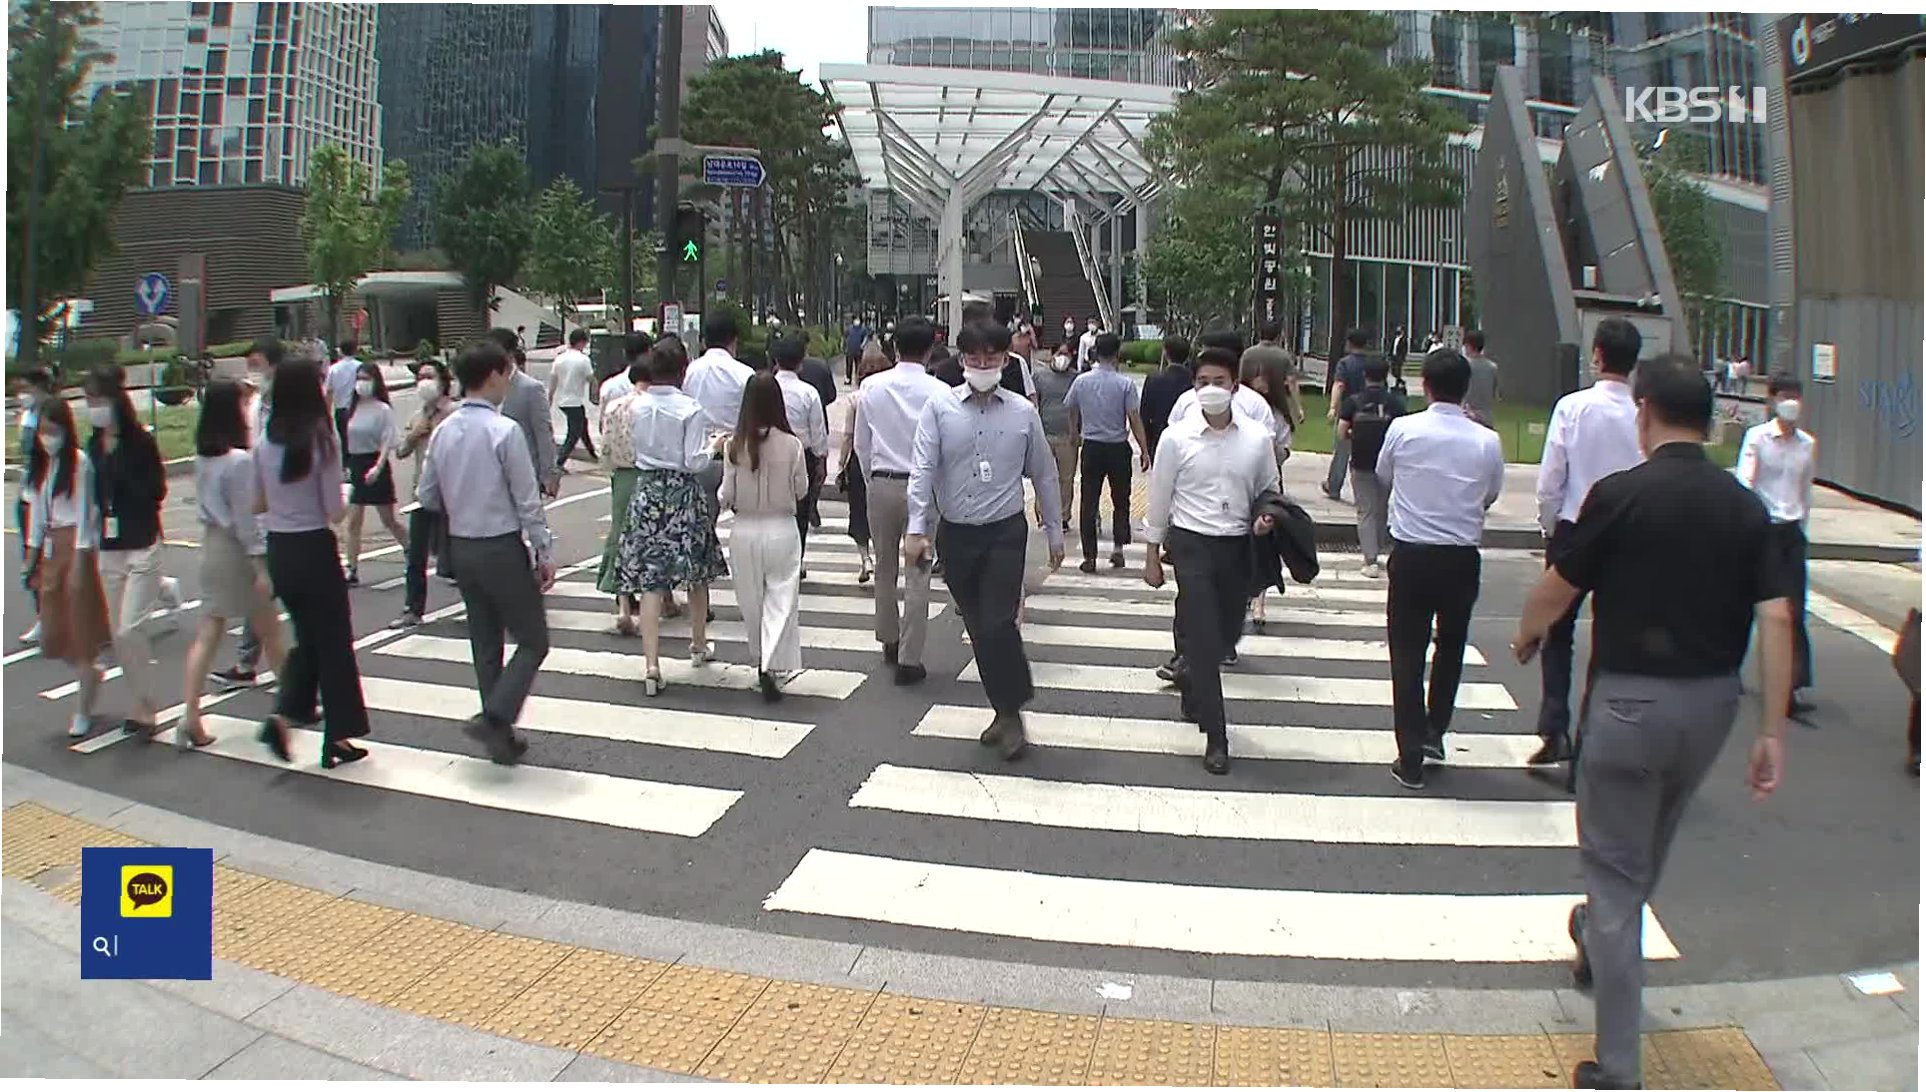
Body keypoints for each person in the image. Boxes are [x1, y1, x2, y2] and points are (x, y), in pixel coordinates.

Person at [1509, 354, 1792, 1092]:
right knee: (1643, 854)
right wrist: (1772, 731)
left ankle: (1618, 1067)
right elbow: (1777, 618)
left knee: (1613, 877)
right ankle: (1598, 935)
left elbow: (1558, 585)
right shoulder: (1745, 508)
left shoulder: (1622, 495)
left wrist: (1528, 634)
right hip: (1712, 707)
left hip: (1629, 704)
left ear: (1644, 413)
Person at [906, 320, 1065, 757]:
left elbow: (1044, 473)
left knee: (998, 623)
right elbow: (922, 469)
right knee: (979, 629)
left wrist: (1054, 531)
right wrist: (916, 529)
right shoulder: (939, 408)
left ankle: (1013, 714)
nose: (981, 365)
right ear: (961, 360)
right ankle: (1003, 709)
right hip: (957, 534)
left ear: (1005, 360)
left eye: (990, 357)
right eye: (973, 357)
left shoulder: (1022, 413)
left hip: (1004, 532)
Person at [418, 341, 557, 764]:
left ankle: (500, 735)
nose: (507, 382)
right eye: (506, 374)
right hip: (500, 545)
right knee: (533, 639)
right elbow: (527, 499)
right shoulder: (503, 431)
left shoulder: (444, 430)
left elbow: (427, 495)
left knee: (485, 640)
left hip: (462, 546)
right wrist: (543, 549)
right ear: (494, 375)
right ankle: (496, 716)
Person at [1143, 348, 1279, 774]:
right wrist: (1152, 553)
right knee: (1203, 637)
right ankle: (1217, 737)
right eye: (1202, 382)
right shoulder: (1176, 438)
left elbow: (1269, 489)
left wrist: (1266, 516)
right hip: (1191, 545)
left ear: (1235, 385)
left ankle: (1190, 673)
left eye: (1219, 382)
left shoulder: (1257, 438)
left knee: (1226, 636)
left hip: (1236, 544)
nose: (1211, 390)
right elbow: (1159, 496)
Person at [1376, 349, 1505, 790]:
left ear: (1425, 385)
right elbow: (1491, 494)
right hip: (1460, 555)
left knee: (1407, 653)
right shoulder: (1486, 440)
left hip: (1412, 552)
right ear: (1465, 388)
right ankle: (1435, 730)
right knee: (1451, 646)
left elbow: (1384, 474)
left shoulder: (1403, 429)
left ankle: (1410, 751)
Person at [1529, 317, 1645, 768]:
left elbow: (1551, 476)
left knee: (1557, 631)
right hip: (1629, 533)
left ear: (1597, 355)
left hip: (1575, 526)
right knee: (1612, 636)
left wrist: (1549, 525)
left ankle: (1554, 724)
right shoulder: (1643, 413)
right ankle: (1595, 732)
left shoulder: (1573, 407)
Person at [254, 355, 372, 770]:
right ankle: (336, 735)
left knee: (308, 639)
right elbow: (333, 512)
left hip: (280, 549)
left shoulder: (265, 441)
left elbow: (257, 502)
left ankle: (285, 714)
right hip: (314, 547)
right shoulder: (322, 440)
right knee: (334, 643)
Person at [615, 342, 729, 696]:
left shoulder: (635, 406)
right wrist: (714, 447)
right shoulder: (690, 409)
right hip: (682, 492)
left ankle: (652, 665)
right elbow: (694, 461)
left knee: (651, 579)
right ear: (682, 370)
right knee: (696, 572)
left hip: (648, 491)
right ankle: (698, 644)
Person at [179, 381, 288, 748]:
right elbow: (247, 521)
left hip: (211, 546)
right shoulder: (238, 461)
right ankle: (291, 701)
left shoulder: (203, 458)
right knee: (270, 628)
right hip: (237, 552)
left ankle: (189, 713)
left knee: (209, 631)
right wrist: (262, 567)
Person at [854, 317, 949, 682]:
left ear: (894, 347)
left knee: (884, 567)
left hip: (882, 483)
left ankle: (888, 639)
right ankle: (910, 658)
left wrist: (872, 479)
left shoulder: (871, 387)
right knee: (918, 572)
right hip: (922, 491)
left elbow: (862, 445)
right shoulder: (941, 392)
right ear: (930, 349)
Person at [83, 365, 170, 738]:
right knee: (118, 636)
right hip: (110, 546)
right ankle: (140, 703)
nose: (93, 407)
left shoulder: (140, 442)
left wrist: (127, 484)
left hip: (142, 542)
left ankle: (148, 702)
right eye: (88, 401)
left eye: (97, 400)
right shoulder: (93, 446)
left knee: (130, 627)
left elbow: (157, 490)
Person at [24, 396, 112, 738]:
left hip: (76, 547)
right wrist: (32, 558)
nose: (47, 437)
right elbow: (36, 517)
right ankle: (91, 674)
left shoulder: (79, 463)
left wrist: (79, 562)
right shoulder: (41, 466)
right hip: (51, 548)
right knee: (55, 634)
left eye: (53, 430)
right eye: (43, 431)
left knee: (81, 632)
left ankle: (83, 707)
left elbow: (87, 517)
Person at [723, 373, 810, 701]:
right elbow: (801, 489)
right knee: (781, 598)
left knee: (752, 601)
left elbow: (726, 495)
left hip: (744, 529)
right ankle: (771, 662)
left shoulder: (734, 445)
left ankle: (761, 656)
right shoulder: (792, 444)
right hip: (781, 528)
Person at [1737, 373, 1818, 717]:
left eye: (1795, 396)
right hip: (1763, 529)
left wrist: (1802, 527)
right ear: (1771, 400)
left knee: (1794, 610)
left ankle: (1791, 685)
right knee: (1746, 605)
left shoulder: (1807, 444)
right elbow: (1746, 482)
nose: (1791, 402)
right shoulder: (1758, 438)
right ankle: (1729, 667)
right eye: (1784, 396)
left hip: (1791, 532)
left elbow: (1805, 488)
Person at [210, 337, 284, 687]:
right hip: (261, 505)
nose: (253, 371)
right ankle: (247, 661)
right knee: (264, 589)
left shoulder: (290, 404)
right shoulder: (256, 404)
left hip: (287, 508)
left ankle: (293, 671)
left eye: (257, 363)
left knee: (274, 589)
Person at [1064, 331, 1147, 572]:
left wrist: (1074, 433)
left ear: (1095, 352)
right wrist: (1144, 449)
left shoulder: (1081, 381)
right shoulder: (1125, 384)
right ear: (1117, 353)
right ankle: (1118, 549)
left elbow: (1071, 408)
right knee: (1121, 499)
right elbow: (1134, 417)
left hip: (1092, 446)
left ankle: (1089, 556)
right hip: (1117, 447)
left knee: (1089, 500)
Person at [596, 333, 657, 635]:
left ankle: (622, 607)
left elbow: (604, 442)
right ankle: (654, 603)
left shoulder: (614, 402)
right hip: (648, 474)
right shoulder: (653, 406)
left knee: (620, 536)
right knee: (650, 539)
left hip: (621, 476)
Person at [389, 357, 457, 628]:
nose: (424, 382)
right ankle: (412, 609)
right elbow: (401, 452)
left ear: (442, 382)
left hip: (452, 495)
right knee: (416, 555)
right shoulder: (417, 417)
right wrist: (414, 434)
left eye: (430, 377)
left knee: (458, 554)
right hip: (422, 494)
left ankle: (480, 603)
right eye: (420, 378)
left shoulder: (453, 414)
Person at [1239, 345, 1300, 626]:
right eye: (1255, 375)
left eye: (1264, 377)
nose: (1259, 382)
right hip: (1240, 483)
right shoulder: (1239, 407)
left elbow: (1284, 449)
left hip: (1268, 484)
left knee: (1265, 542)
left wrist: (1268, 453)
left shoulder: (1277, 414)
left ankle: (1259, 601)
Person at [1336, 358, 1408, 579]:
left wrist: (1354, 435)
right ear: (1386, 375)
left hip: (1361, 461)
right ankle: (1378, 547)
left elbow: (1341, 432)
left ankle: (1370, 559)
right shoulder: (1395, 403)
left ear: (1365, 375)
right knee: (1381, 508)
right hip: (1387, 463)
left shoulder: (1354, 402)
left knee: (1365, 510)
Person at [341, 360, 408, 587]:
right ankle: (352, 568)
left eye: (366, 379)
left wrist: (378, 468)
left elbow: (387, 441)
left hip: (375, 463)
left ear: (376, 381)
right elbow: (345, 439)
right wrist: (345, 466)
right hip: (357, 464)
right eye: (359, 378)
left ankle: (410, 549)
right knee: (353, 521)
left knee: (388, 519)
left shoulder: (383, 409)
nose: (362, 383)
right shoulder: (352, 408)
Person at [684, 312, 755, 515]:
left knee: (703, 522)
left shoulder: (690, 371)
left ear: (704, 341)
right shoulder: (745, 374)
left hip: (700, 456)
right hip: (736, 456)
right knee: (746, 520)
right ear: (734, 340)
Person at [771, 333, 829, 578]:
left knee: (773, 508)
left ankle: (775, 559)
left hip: (768, 453)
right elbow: (818, 431)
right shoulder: (808, 392)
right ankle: (797, 559)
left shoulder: (764, 387)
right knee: (800, 511)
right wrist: (821, 459)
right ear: (801, 362)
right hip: (801, 455)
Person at [837, 343, 894, 585]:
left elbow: (848, 436)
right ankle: (881, 559)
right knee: (882, 517)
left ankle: (865, 559)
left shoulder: (855, 399)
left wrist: (841, 464)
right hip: (885, 460)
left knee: (859, 511)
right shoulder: (890, 397)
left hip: (859, 461)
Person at [484, 328, 560, 499]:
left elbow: (543, 432)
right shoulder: (482, 385)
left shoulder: (530, 388)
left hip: (523, 476)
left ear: (510, 354)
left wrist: (548, 473)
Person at [14, 366, 58, 646]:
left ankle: (57, 617)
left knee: (50, 558)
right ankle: (43, 616)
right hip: (27, 493)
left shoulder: (52, 414)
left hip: (47, 494)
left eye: (27, 389)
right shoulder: (27, 416)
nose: (23, 395)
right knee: (31, 560)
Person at [1031, 336, 1080, 533]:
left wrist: (1077, 432)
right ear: (1052, 354)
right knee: (1044, 477)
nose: (1063, 357)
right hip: (1045, 434)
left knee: (1066, 479)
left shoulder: (1076, 378)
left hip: (1068, 436)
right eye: (1060, 353)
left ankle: (1063, 516)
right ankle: (1043, 515)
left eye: (1066, 354)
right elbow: (1034, 404)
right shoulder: (1039, 377)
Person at [1323, 328, 1373, 502]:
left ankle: (1334, 486)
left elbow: (1339, 385)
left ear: (1349, 344)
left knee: (1342, 452)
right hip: (1369, 412)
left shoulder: (1345, 363)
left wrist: (1333, 407)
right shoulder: (1371, 364)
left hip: (1348, 412)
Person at [549, 327, 598, 468]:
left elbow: (553, 380)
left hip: (562, 400)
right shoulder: (583, 359)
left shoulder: (559, 359)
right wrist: (595, 393)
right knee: (574, 433)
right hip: (574, 401)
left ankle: (592, 453)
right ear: (581, 342)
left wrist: (550, 397)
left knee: (582, 425)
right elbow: (591, 379)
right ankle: (559, 462)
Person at [1140, 334, 1194, 461]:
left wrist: (1147, 446)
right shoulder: (1194, 380)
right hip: (1189, 442)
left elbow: (1145, 415)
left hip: (1159, 439)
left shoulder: (1153, 379)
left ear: (1165, 353)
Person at [325, 340, 362, 461]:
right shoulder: (360, 367)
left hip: (340, 409)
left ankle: (347, 464)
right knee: (359, 440)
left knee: (344, 440)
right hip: (358, 408)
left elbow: (329, 392)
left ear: (340, 351)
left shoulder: (333, 369)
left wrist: (327, 413)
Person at [1462, 329, 1501, 427]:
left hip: (1467, 416)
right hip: (1486, 418)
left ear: (1468, 346)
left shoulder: (1463, 365)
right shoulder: (1493, 367)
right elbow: (1495, 394)